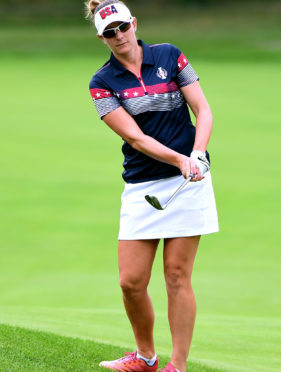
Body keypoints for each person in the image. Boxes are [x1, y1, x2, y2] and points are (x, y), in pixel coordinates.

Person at [85, 1, 219, 371]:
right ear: (102, 37)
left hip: (188, 181)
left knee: (177, 276)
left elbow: (202, 110)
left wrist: (198, 152)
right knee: (130, 281)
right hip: (144, 185)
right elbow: (137, 139)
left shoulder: (170, 56)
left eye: (123, 27)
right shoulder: (102, 83)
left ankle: (177, 366)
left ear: (134, 23)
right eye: (110, 32)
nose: (119, 36)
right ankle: (145, 357)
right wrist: (180, 159)